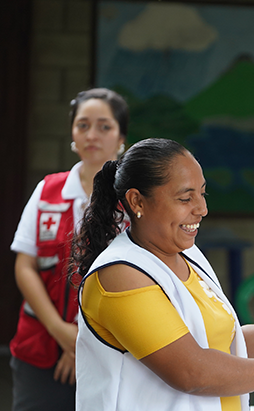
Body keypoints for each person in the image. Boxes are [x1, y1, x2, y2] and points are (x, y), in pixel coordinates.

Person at [70, 137, 254, 411]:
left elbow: (226, 347)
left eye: (202, 193)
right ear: (136, 202)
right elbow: (193, 371)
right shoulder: (120, 274)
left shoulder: (187, 255)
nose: (202, 209)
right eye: (186, 199)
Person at [9, 88, 128, 411]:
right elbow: (25, 265)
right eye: (83, 125)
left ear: (121, 137)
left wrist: (82, 342)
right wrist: (61, 332)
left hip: (113, 349)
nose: (92, 135)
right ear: (73, 134)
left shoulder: (132, 198)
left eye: (104, 126)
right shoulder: (48, 190)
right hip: (41, 345)